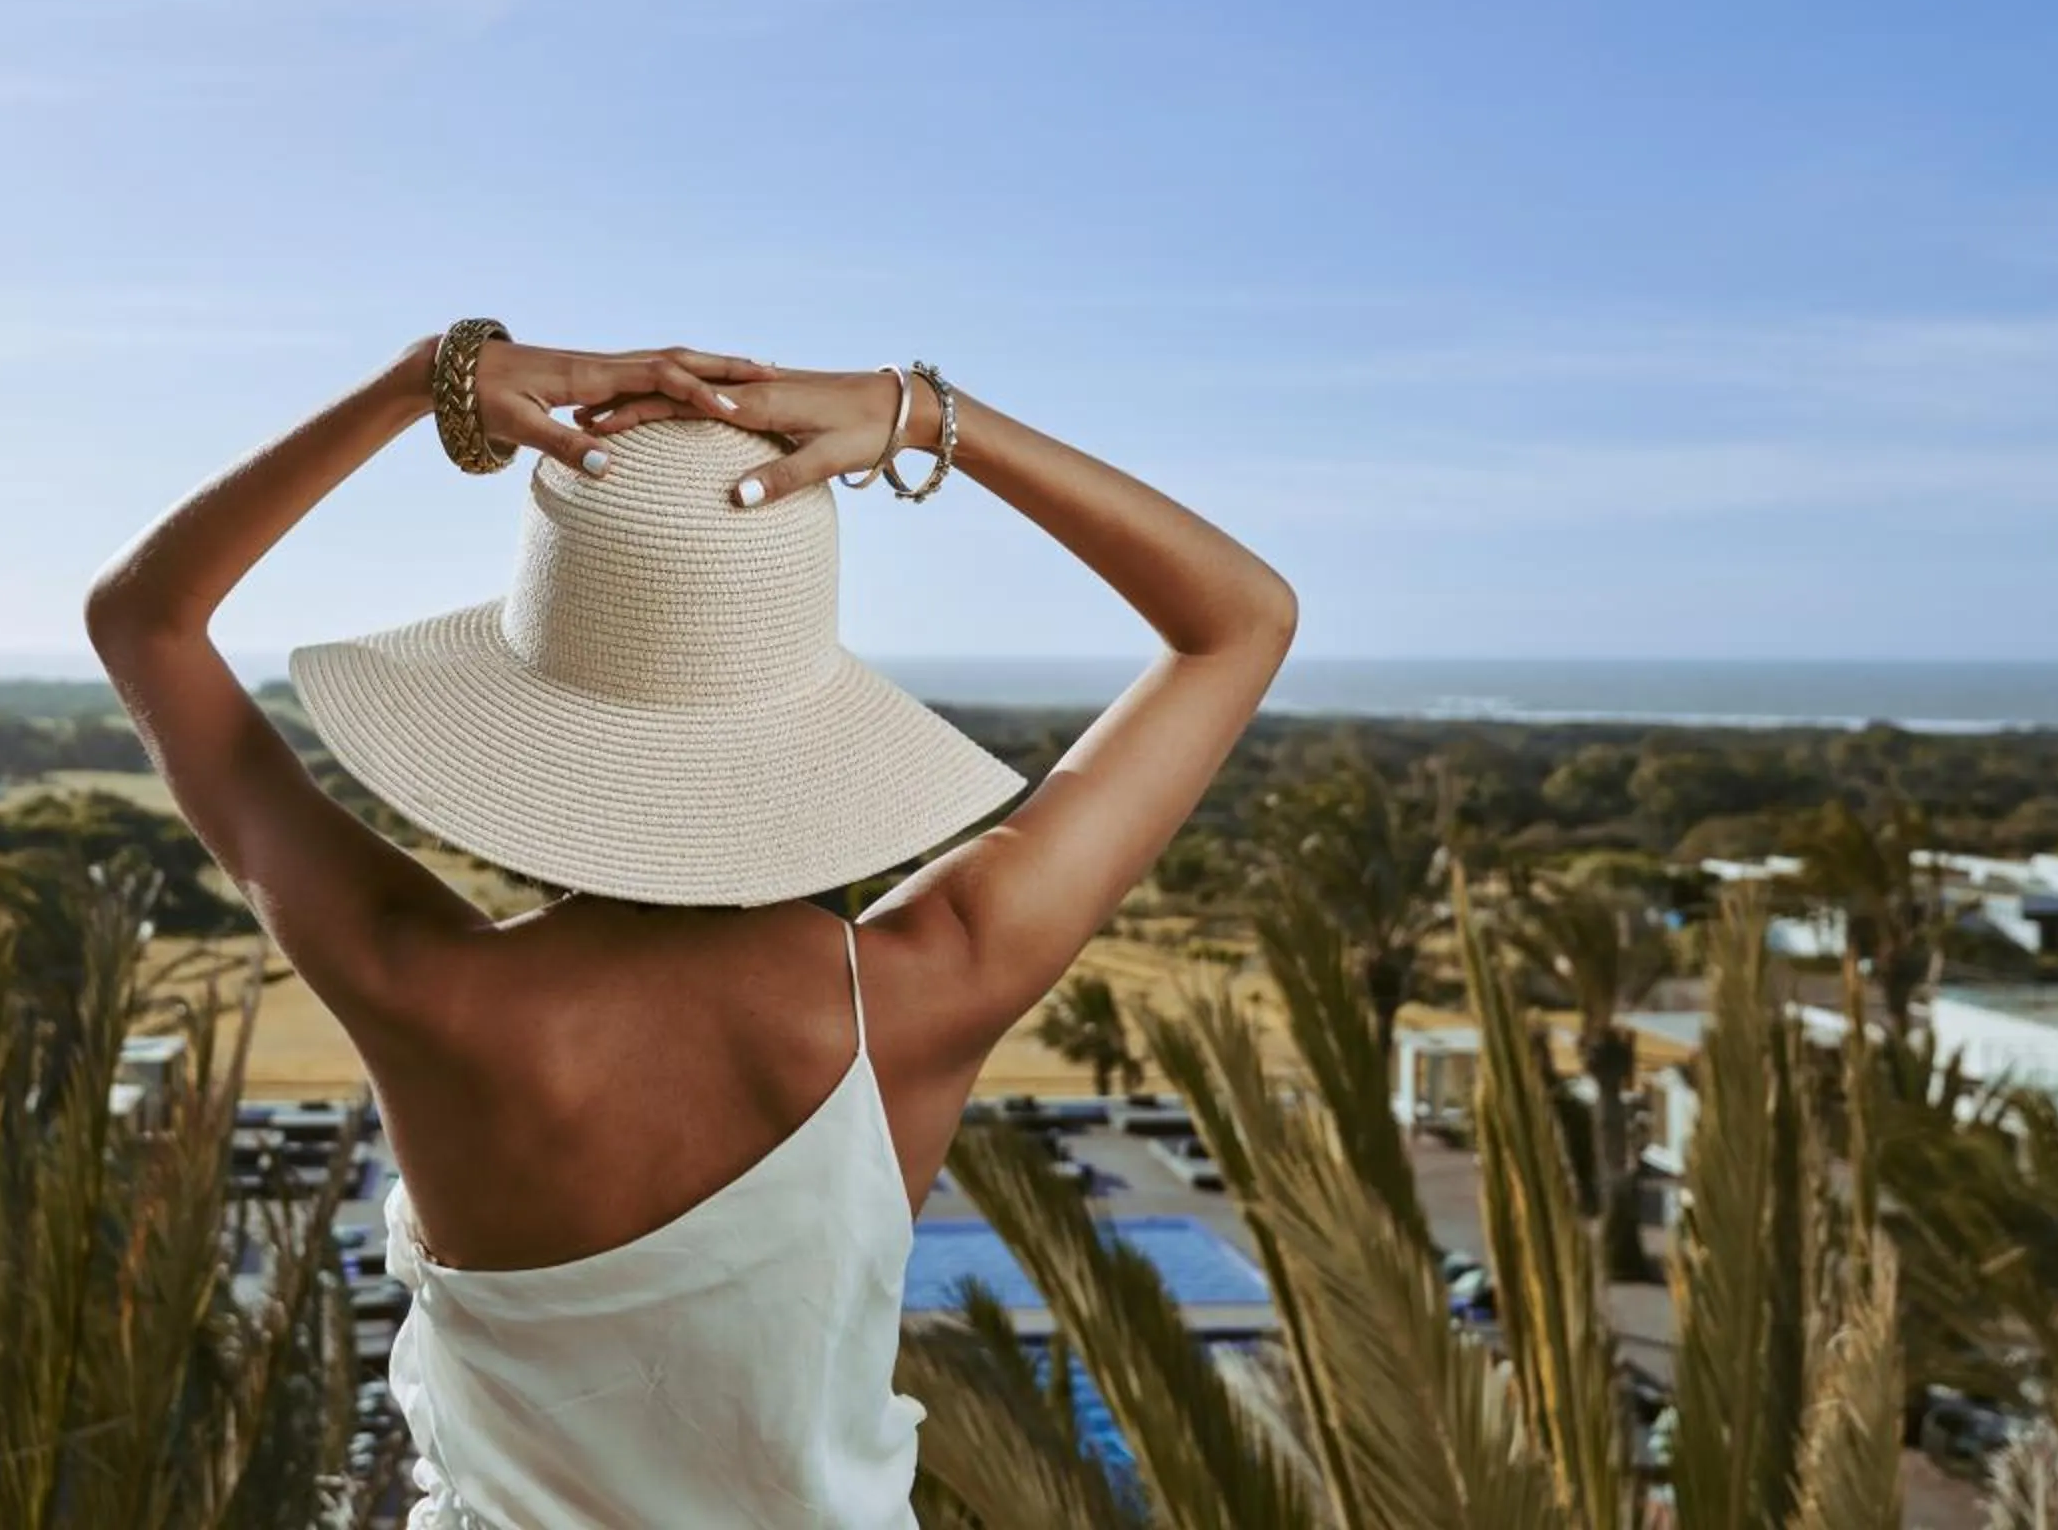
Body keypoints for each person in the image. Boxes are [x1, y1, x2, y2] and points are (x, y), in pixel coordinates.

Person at [85, 326, 1296, 1529]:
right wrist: (922, 415)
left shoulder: (416, 982)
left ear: (519, 723)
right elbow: (1240, 621)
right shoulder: (937, 976)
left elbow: (144, 622)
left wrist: (425, 382)